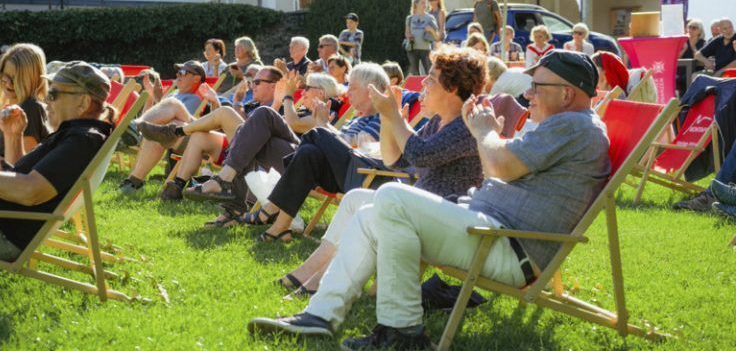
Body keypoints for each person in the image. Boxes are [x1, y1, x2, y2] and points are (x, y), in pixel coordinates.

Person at [248, 50, 609, 349]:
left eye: (536, 87)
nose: (528, 95)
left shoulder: (574, 126)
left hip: (505, 245)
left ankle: (401, 331)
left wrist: (485, 132)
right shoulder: (563, 126)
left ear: (567, 93)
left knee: (389, 197)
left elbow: (498, 164)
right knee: (372, 208)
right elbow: (486, 161)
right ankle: (323, 315)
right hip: (485, 228)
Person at [275, 48, 526, 296]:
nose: (423, 83)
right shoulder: (439, 122)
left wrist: (394, 116)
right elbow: (396, 160)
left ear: (451, 88)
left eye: (431, 78)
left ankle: (323, 281)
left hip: (444, 217)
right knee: (353, 199)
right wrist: (387, 119)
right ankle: (311, 272)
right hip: (420, 207)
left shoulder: (465, 125)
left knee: (368, 207)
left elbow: (420, 154)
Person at [235, 63, 418, 241]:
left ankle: (271, 207)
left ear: (371, 91)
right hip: (345, 173)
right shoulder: (356, 118)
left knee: (317, 134)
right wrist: (327, 127)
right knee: (308, 152)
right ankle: (280, 228)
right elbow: (343, 145)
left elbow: (361, 149)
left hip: (364, 176)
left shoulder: (382, 116)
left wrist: (325, 126)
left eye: (353, 88)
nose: (348, 92)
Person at [0, 61, 115, 260]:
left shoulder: (81, 140)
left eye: (53, 94)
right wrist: (13, 136)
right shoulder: (77, 133)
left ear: (83, 103)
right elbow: (20, 177)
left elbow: (29, 192)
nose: (46, 100)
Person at [134, 66, 284, 201]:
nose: (253, 86)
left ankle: (174, 131)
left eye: (257, 82)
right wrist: (219, 102)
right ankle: (178, 186)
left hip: (259, 154)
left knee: (223, 111)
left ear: (274, 86)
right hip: (235, 147)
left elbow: (265, 133)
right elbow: (226, 128)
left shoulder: (281, 108)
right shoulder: (251, 104)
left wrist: (237, 103)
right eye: (252, 82)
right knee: (200, 136)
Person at [118, 61, 206, 194]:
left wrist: (159, 99)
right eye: (178, 72)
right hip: (166, 132)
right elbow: (156, 119)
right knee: (155, 130)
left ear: (196, 78)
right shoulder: (173, 94)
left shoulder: (195, 98)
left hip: (187, 134)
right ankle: (133, 182)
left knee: (170, 108)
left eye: (183, 72)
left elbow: (178, 123)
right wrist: (151, 97)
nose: (178, 75)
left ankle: (134, 129)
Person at [0, 44, 50, 169]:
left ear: (32, 78)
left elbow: (19, 171)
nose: (8, 83)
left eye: (15, 78)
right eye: (4, 75)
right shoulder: (13, 107)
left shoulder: (29, 107)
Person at [404, 0, 439, 76]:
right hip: (412, 49)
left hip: (426, 49)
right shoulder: (409, 18)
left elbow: (436, 37)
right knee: (415, 73)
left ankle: (428, 88)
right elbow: (406, 33)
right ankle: (417, 88)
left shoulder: (430, 18)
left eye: (425, 3)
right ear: (416, 4)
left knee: (429, 72)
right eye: (422, 2)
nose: (425, 5)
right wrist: (409, 36)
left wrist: (431, 30)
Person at [676, 19, 706, 94]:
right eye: (689, 27)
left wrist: (693, 47)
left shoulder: (702, 43)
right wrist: (684, 49)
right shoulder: (683, 42)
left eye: (694, 28)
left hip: (695, 71)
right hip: (681, 71)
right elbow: (676, 58)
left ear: (699, 31)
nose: (690, 30)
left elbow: (699, 59)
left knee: (687, 79)